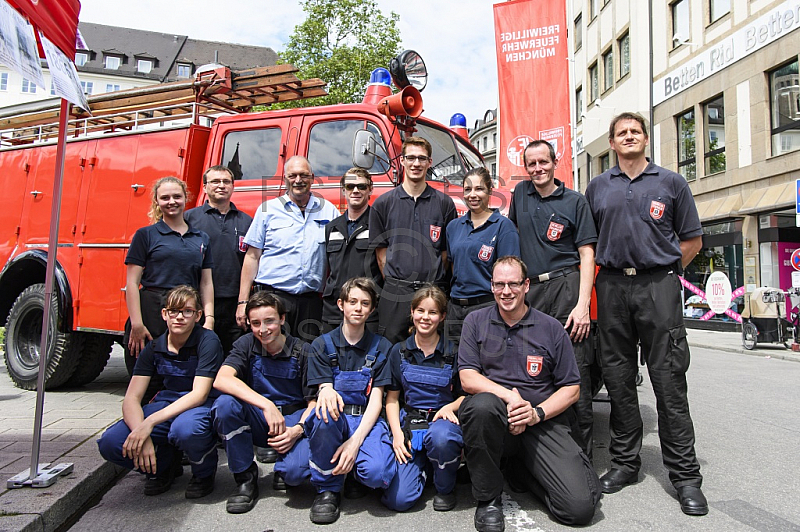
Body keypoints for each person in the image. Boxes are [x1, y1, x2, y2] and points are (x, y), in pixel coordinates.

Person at [585, 112, 707, 516]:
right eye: (622, 133)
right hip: (613, 286)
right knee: (618, 381)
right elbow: (588, 241)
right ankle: (624, 463)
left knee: (669, 382)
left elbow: (691, 239)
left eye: (635, 131)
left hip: (659, 287)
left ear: (645, 139)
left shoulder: (671, 183)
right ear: (613, 144)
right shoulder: (598, 187)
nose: (629, 136)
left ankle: (685, 476)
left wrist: (668, 272)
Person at [458, 256, 601, 531]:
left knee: (579, 509)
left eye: (513, 284)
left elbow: (572, 389)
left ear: (526, 286)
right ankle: (488, 500)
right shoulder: (475, 321)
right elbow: (467, 378)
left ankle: (521, 470)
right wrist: (509, 397)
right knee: (481, 407)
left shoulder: (551, 328)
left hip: (540, 422)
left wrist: (536, 414)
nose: (506, 291)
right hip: (496, 420)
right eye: (499, 284)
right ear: (491, 286)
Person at [508, 140, 597, 460]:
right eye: (530, 164)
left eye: (543, 162)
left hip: (566, 290)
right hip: (532, 293)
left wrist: (582, 305)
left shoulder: (575, 202)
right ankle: (536, 457)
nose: (537, 169)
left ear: (555, 162)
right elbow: (513, 240)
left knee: (575, 375)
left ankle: (581, 459)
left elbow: (588, 255)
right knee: (532, 373)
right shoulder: (520, 195)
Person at [97, 285, 223, 498]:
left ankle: (203, 473)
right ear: (164, 314)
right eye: (173, 311)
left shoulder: (208, 342)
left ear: (198, 315)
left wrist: (150, 423)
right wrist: (141, 433)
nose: (179, 317)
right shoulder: (154, 347)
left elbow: (199, 394)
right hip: (166, 404)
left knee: (186, 430)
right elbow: (131, 398)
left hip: (198, 406)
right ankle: (163, 468)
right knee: (110, 442)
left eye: (187, 311)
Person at [211, 292, 316, 514]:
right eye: (256, 323)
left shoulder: (303, 350)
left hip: (292, 420)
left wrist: (297, 431)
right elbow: (222, 379)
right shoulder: (246, 344)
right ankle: (245, 478)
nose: (263, 329)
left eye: (269, 321)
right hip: (261, 418)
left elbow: (314, 403)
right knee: (225, 405)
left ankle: (284, 466)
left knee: (295, 475)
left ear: (282, 319)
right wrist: (266, 405)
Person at [304, 277, 396, 524]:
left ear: (372, 309)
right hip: (335, 419)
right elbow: (322, 389)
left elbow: (377, 400)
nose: (358, 308)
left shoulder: (382, 347)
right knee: (323, 414)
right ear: (341, 304)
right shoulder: (321, 345)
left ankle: (354, 471)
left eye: (365, 303)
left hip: (366, 418)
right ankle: (327, 490)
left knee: (378, 474)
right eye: (352, 302)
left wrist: (355, 443)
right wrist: (326, 388)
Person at [236, 156, 340, 341]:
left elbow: (339, 257)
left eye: (303, 175)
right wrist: (243, 302)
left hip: (310, 301)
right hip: (272, 298)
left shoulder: (329, 211)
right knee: (270, 353)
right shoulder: (268, 209)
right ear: (285, 179)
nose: (298, 180)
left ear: (312, 178)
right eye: (292, 176)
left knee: (307, 354)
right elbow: (252, 257)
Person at [382, 285, 463, 512]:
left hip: (442, 425)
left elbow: (468, 395)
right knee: (398, 500)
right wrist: (397, 435)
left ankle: (445, 488)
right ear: (412, 312)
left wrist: (451, 406)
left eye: (433, 312)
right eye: (420, 311)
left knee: (441, 439)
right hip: (411, 427)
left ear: (442, 316)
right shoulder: (398, 351)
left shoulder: (453, 352)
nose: (425, 317)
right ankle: (427, 468)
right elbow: (392, 399)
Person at [370, 137, 458, 343]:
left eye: (421, 158)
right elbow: (381, 257)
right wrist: (400, 283)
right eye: (410, 158)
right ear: (402, 161)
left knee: (433, 350)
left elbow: (445, 255)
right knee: (390, 349)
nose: (416, 163)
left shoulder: (444, 204)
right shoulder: (383, 204)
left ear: (430, 162)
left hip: (433, 291)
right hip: (396, 293)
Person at [125, 177, 214, 364]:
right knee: (148, 370)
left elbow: (206, 282)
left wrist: (209, 318)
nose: (171, 202)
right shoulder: (145, 235)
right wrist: (137, 324)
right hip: (153, 310)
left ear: (185, 198)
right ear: (156, 201)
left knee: (183, 369)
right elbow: (132, 283)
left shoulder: (201, 238)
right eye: (165, 198)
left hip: (187, 310)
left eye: (177, 196)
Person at [446, 167, 519, 347]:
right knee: (453, 365)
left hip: (486, 307)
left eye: (479, 189)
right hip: (455, 309)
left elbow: (510, 275)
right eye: (468, 189)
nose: (473, 195)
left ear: (490, 190)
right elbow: (453, 267)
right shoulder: (453, 227)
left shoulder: (503, 226)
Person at [185, 165, 253, 355]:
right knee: (198, 354)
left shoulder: (247, 222)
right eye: (215, 181)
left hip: (234, 303)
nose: (221, 186)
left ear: (233, 187)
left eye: (226, 182)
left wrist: (244, 302)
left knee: (233, 355)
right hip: (198, 301)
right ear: (205, 187)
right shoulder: (189, 219)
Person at [322, 167, 382, 333]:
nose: (355, 190)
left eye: (361, 186)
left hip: (366, 311)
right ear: (343, 191)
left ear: (370, 189)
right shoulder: (331, 228)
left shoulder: (379, 225)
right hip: (334, 311)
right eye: (350, 187)